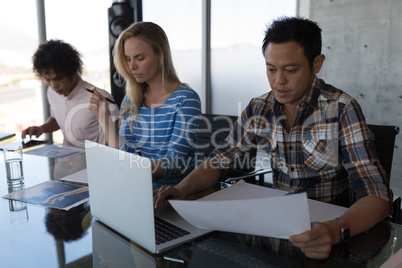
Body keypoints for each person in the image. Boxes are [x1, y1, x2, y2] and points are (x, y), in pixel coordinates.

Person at [153, 17, 393, 259]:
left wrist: (337, 229)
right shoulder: (259, 108)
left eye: (291, 70)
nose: (279, 80)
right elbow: (219, 160)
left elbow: (377, 194)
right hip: (280, 231)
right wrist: (181, 189)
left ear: (317, 63)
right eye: (271, 69)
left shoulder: (342, 109)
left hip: (331, 235)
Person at [88, 22, 201, 190]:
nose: (132, 66)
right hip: (137, 189)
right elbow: (125, 155)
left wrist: (132, 172)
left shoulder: (186, 99)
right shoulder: (132, 98)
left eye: (140, 58)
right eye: (128, 59)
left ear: (160, 56)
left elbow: (174, 163)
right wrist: (103, 118)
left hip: (174, 196)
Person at [21, 40, 120, 148]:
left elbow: (118, 136)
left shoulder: (100, 97)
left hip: (94, 162)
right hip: (64, 161)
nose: (53, 85)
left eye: (58, 78)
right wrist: (42, 128)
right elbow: (58, 119)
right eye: (48, 80)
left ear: (72, 71)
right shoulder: (51, 92)